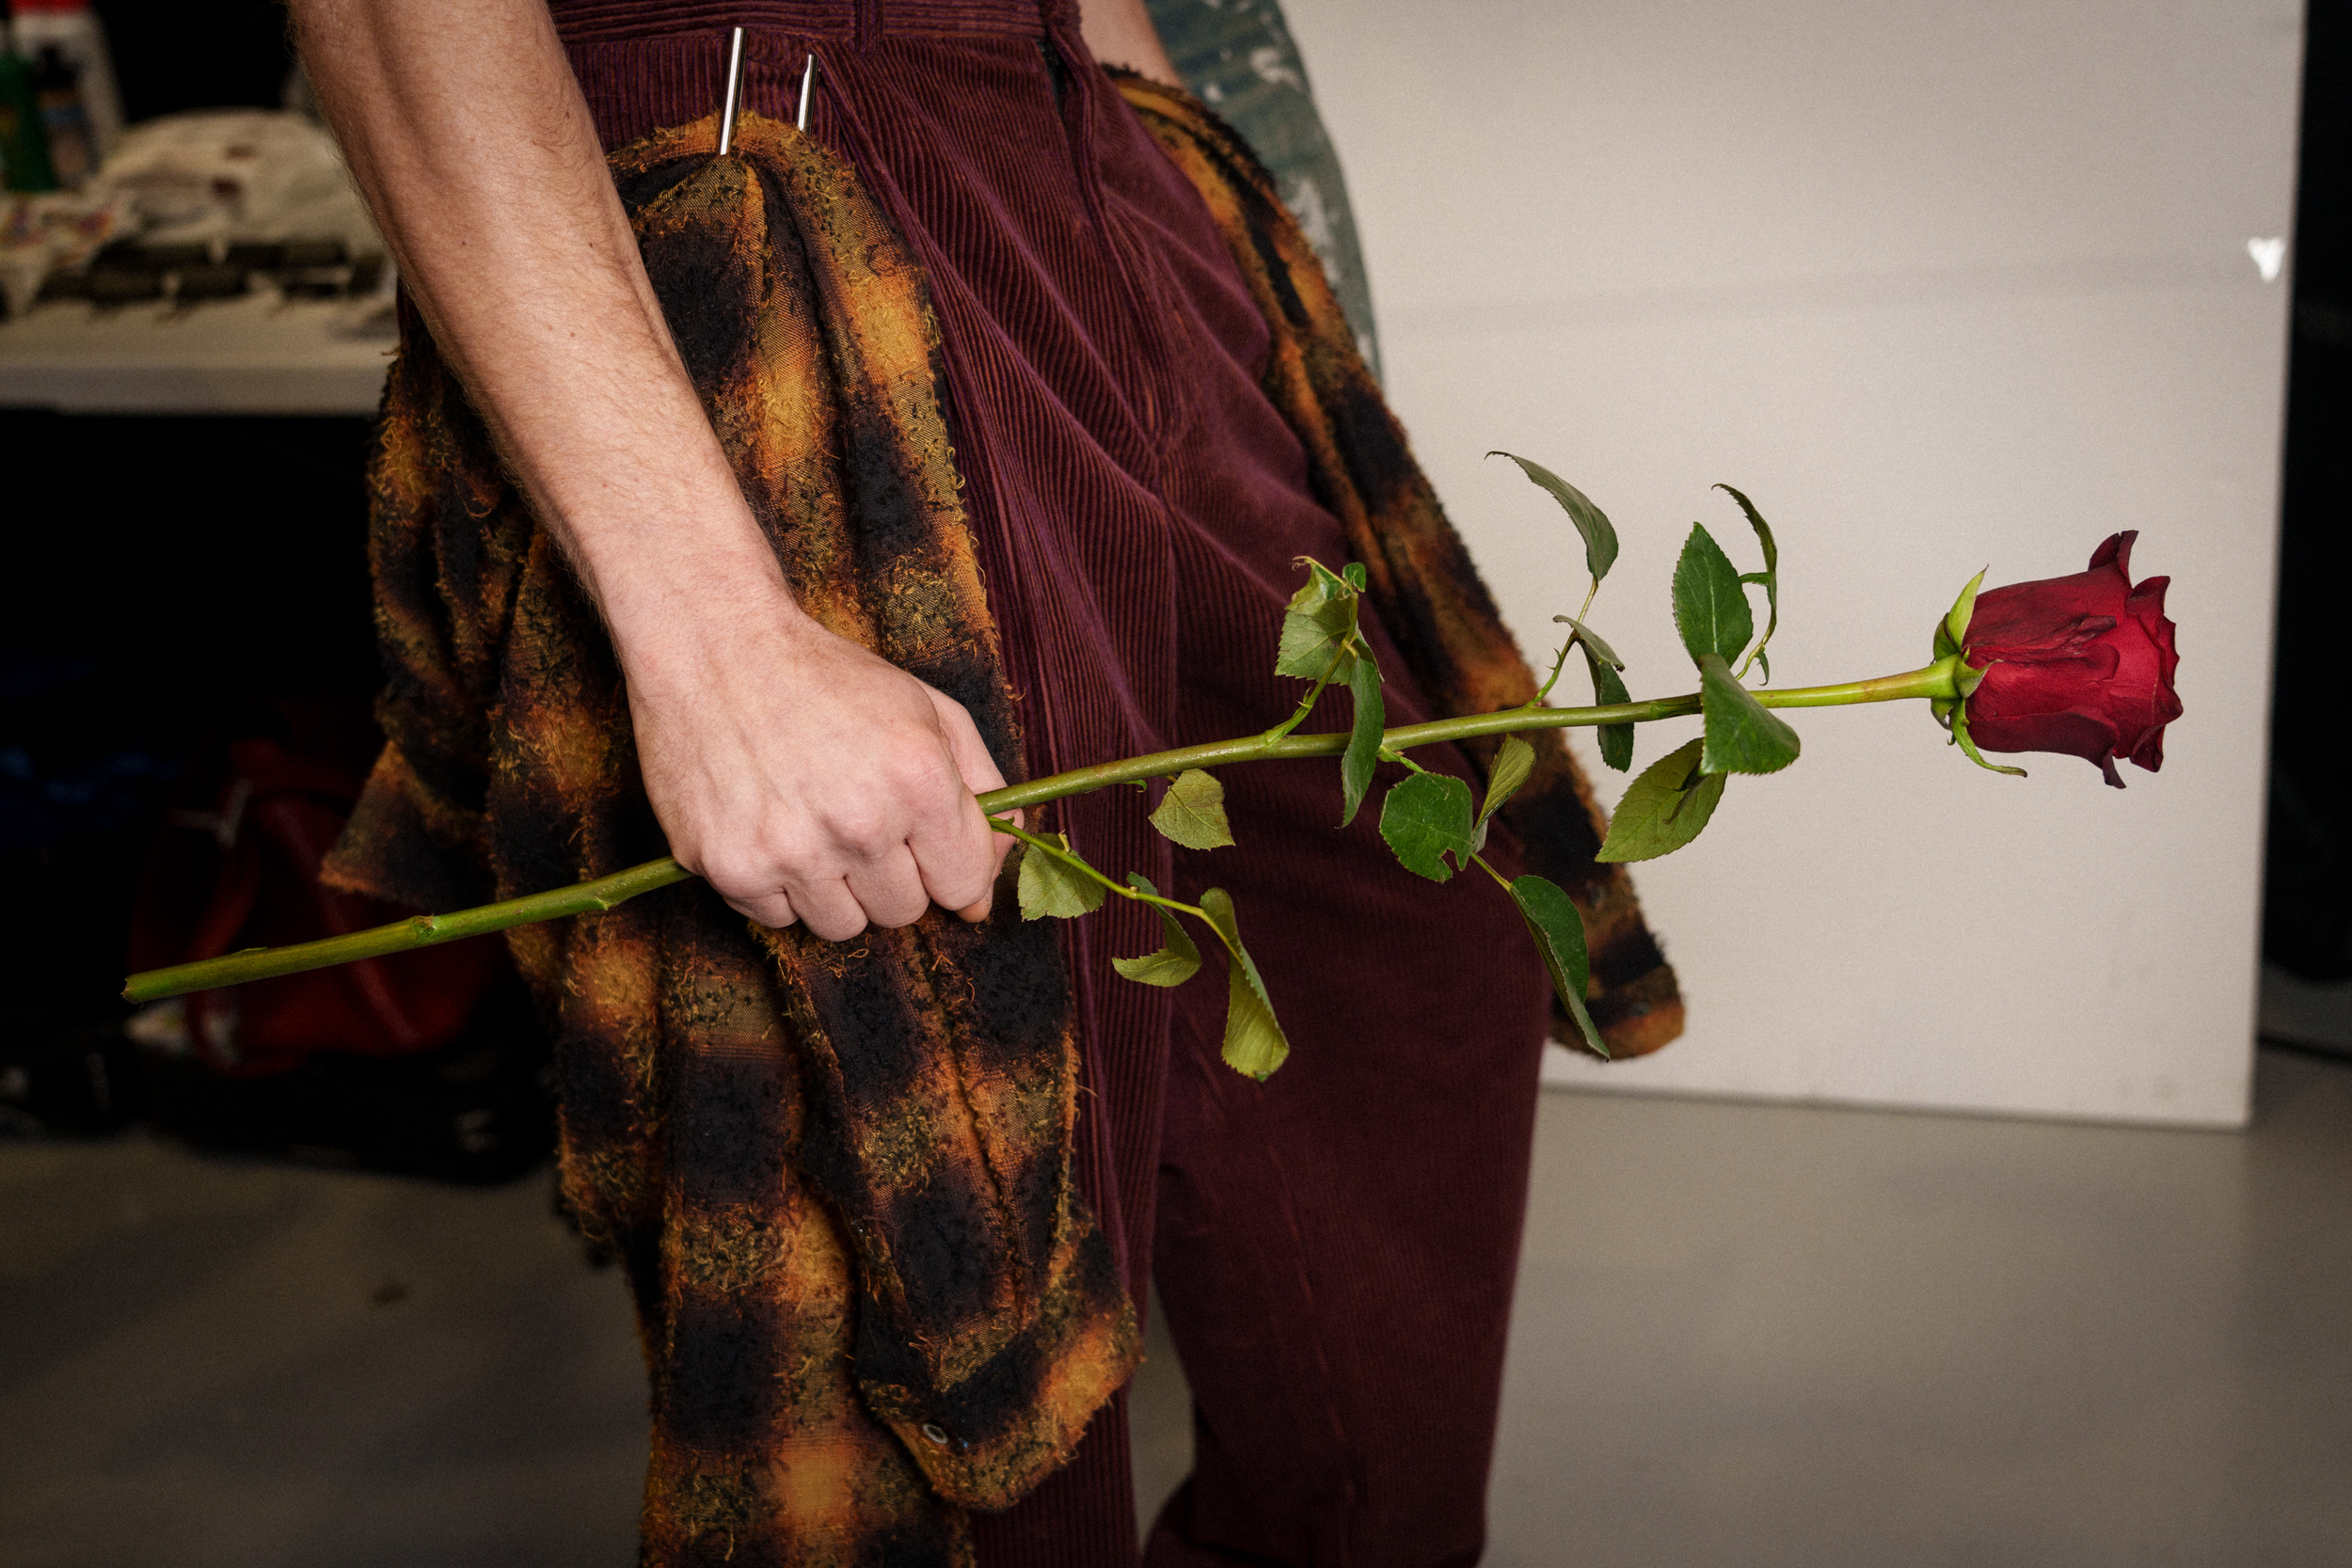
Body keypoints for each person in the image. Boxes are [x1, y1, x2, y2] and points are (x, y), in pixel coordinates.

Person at [294, 3, 1677, 1562]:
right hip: (777, 189)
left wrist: (1153, 139)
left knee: (1402, 963)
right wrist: (714, 634)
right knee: (957, 1278)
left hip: (1091, 149)